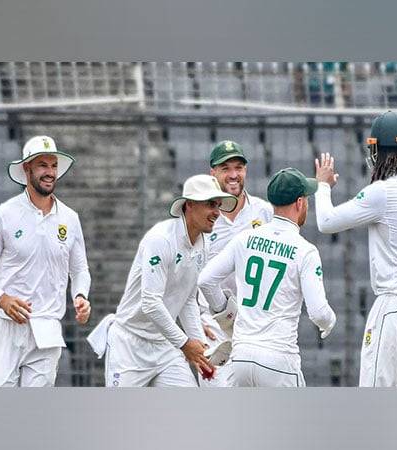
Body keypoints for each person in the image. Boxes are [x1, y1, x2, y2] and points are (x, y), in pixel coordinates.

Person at [314, 111, 397, 387]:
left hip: (395, 303)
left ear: (378, 150)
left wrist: (323, 186)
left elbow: (325, 222)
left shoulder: (381, 190)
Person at [88, 174, 237, 387]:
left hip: (165, 346)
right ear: (190, 205)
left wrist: (201, 350)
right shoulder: (161, 239)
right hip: (129, 345)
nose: (217, 212)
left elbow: (187, 300)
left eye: (219, 205)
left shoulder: (203, 244)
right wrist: (186, 344)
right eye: (211, 204)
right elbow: (150, 303)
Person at [198, 168, 336, 387]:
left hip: (241, 355)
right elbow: (318, 312)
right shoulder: (305, 250)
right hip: (279, 358)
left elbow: (205, 280)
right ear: (300, 203)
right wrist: (329, 321)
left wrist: (225, 313)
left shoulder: (245, 238)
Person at [0, 135, 91, 387]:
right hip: (8, 327)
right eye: (43, 165)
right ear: (27, 169)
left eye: (53, 166)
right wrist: (1, 298)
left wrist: (80, 295)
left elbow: (79, 270)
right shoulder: (4, 215)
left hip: (48, 330)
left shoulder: (70, 218)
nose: (50, 172)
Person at [198, 140, 273, 387]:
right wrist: (195, 318)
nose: (233, 175)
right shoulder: (202, 217)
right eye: (225, 168)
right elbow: (189, 272)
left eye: (239, 167)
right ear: (213, 173)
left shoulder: (264, 212)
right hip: (214, 326)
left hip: (256, 324)